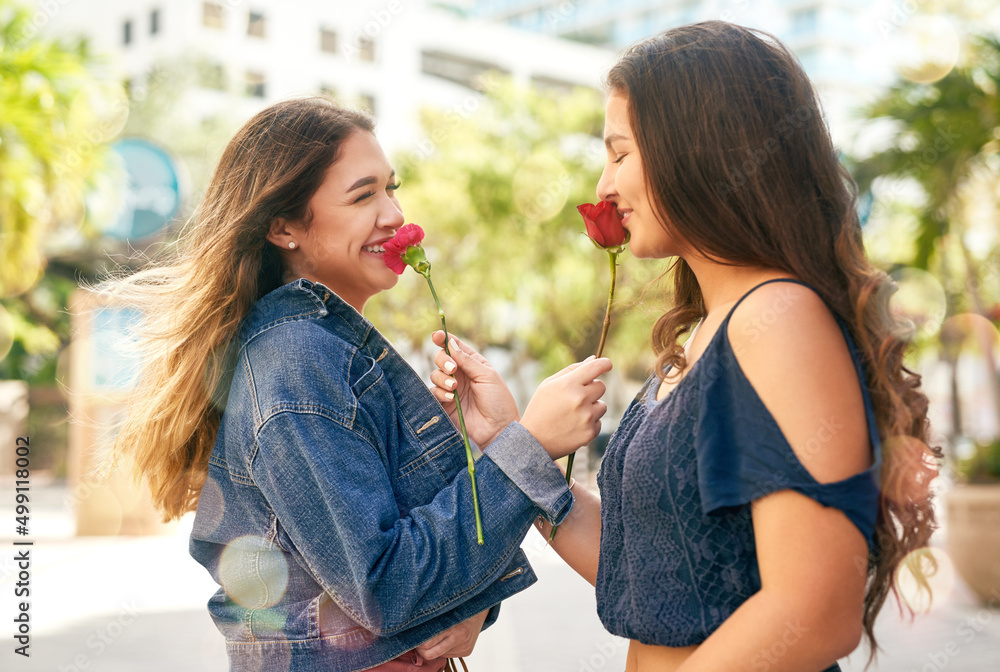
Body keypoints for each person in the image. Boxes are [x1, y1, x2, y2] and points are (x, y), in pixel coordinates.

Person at [429, 22, 939, 672]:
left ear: (695, 150)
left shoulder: (777, 317)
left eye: (618, 153)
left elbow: (814, 611)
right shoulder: (712, 328)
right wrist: (510, 441)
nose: (604, 185)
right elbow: (647, 573)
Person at [99, 97, 612, 671]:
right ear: (284, 226)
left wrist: (465, 603)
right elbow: (385, 590)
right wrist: (530, 446)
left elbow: (401, 564)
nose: (393, 214)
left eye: (391, 188)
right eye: (363, 194)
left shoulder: (326, 348)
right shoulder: (298, 358)